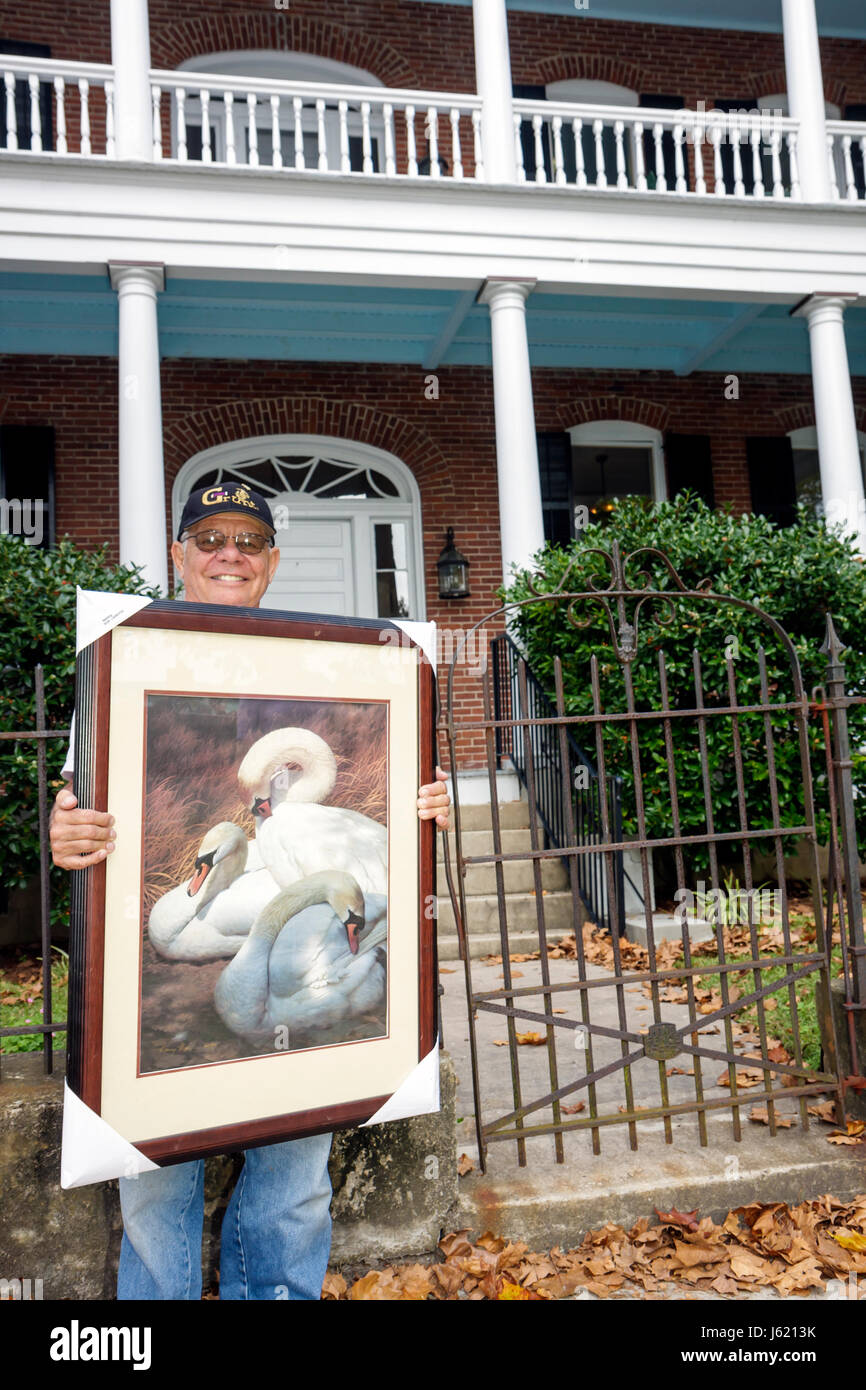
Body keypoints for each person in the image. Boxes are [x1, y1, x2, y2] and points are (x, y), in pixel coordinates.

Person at [49, 483, 451, 1301]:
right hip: (230, 947)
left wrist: (429, 812)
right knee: (155, 1175)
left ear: (270, 561)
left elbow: (382, 832)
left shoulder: (323, 663)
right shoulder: (129, 662)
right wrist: (66, 835)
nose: (226, 553)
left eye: (246, 540)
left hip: (301, 923)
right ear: (177, 555)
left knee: (296, 1169)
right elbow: (79, 805)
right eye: (207, 538)